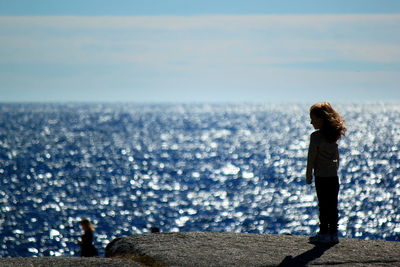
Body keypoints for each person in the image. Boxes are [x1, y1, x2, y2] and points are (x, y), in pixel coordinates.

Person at [306, 102, 346, 244]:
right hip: (333, 176)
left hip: (321, 177)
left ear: (321, 119)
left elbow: (311, 157)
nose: (311, 122)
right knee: (332, 205)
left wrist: (308, 174)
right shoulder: (333, 136)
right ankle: (333, 233)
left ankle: (324, 233)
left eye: (313, 119)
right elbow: (337, 156)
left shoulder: (315, 137)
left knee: (323, 205)